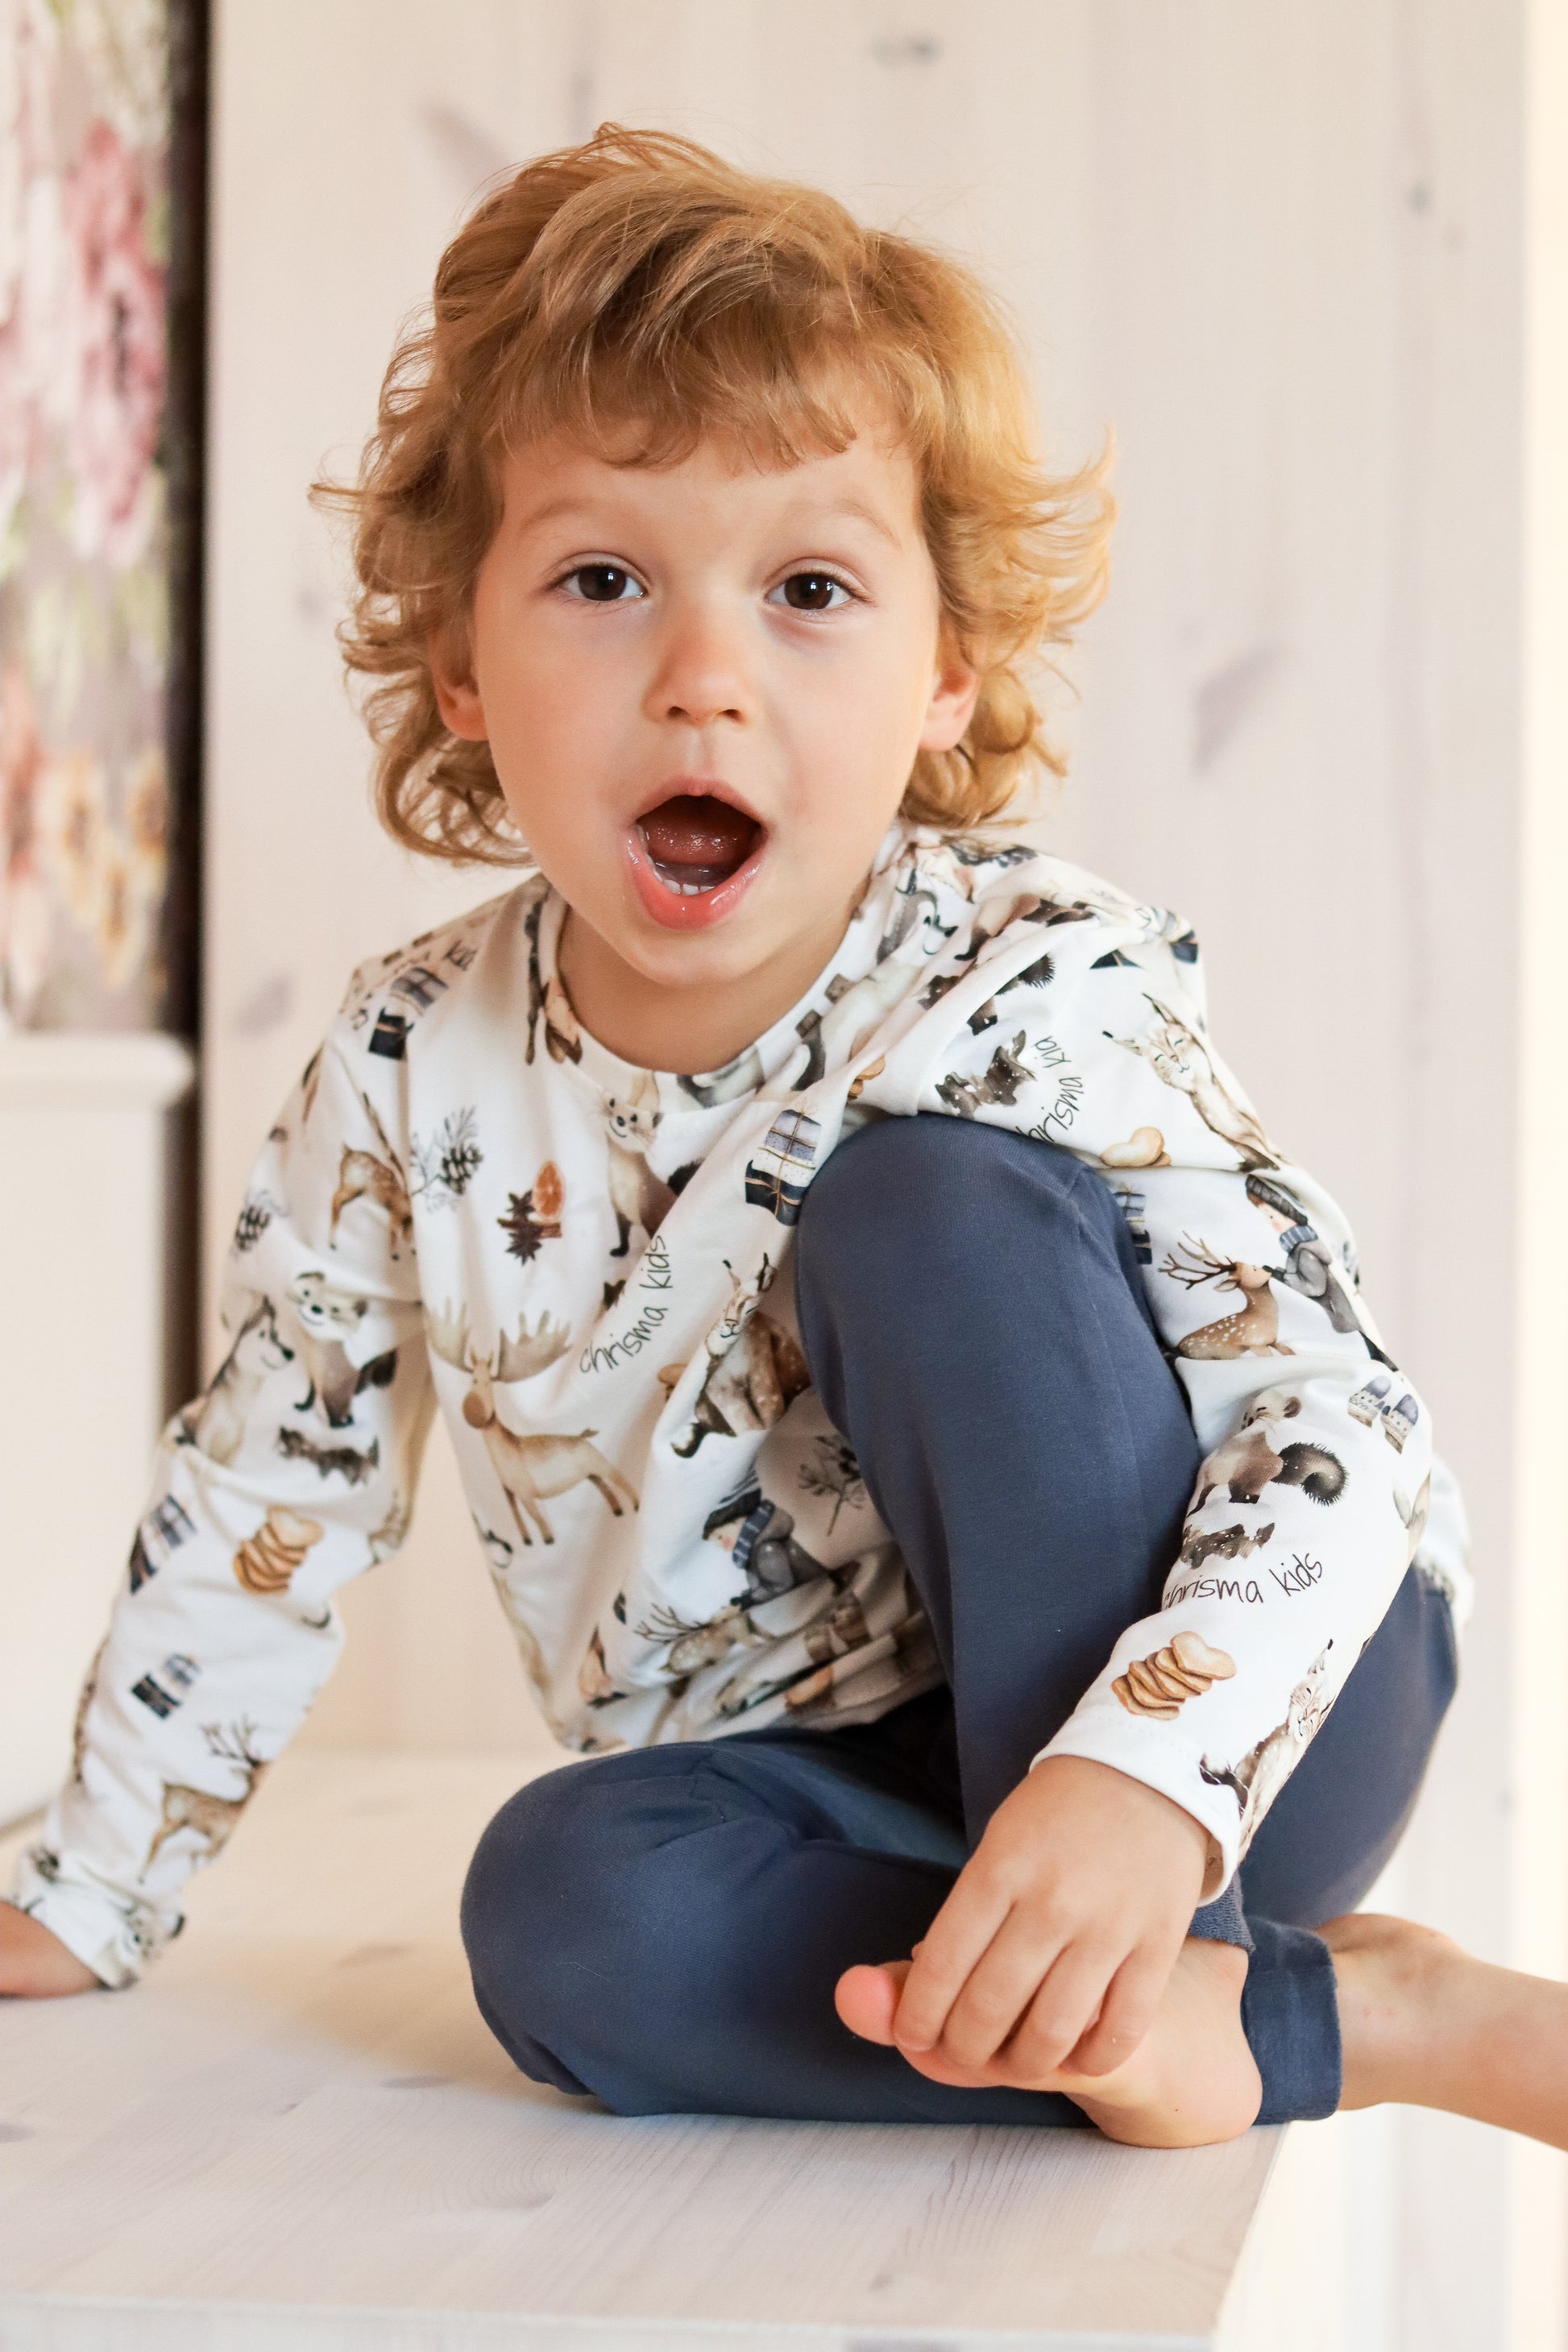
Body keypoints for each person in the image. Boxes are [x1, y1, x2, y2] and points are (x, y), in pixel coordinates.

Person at [4, 123, 1565, 2155]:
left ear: (944, 676)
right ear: (462, 660)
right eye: (601, 580)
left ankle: (1182, 1943)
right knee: (557, 1910)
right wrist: (89, 1884)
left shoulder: (1032, 981)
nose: (703, 680)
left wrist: (1133, 1779)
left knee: (925, 1206)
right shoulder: (402, 1065)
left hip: (1244, 1715)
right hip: (855, 1800)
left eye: (810, 589)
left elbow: (1333, 1420)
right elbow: (266, 1491)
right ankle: (1285, 2013)